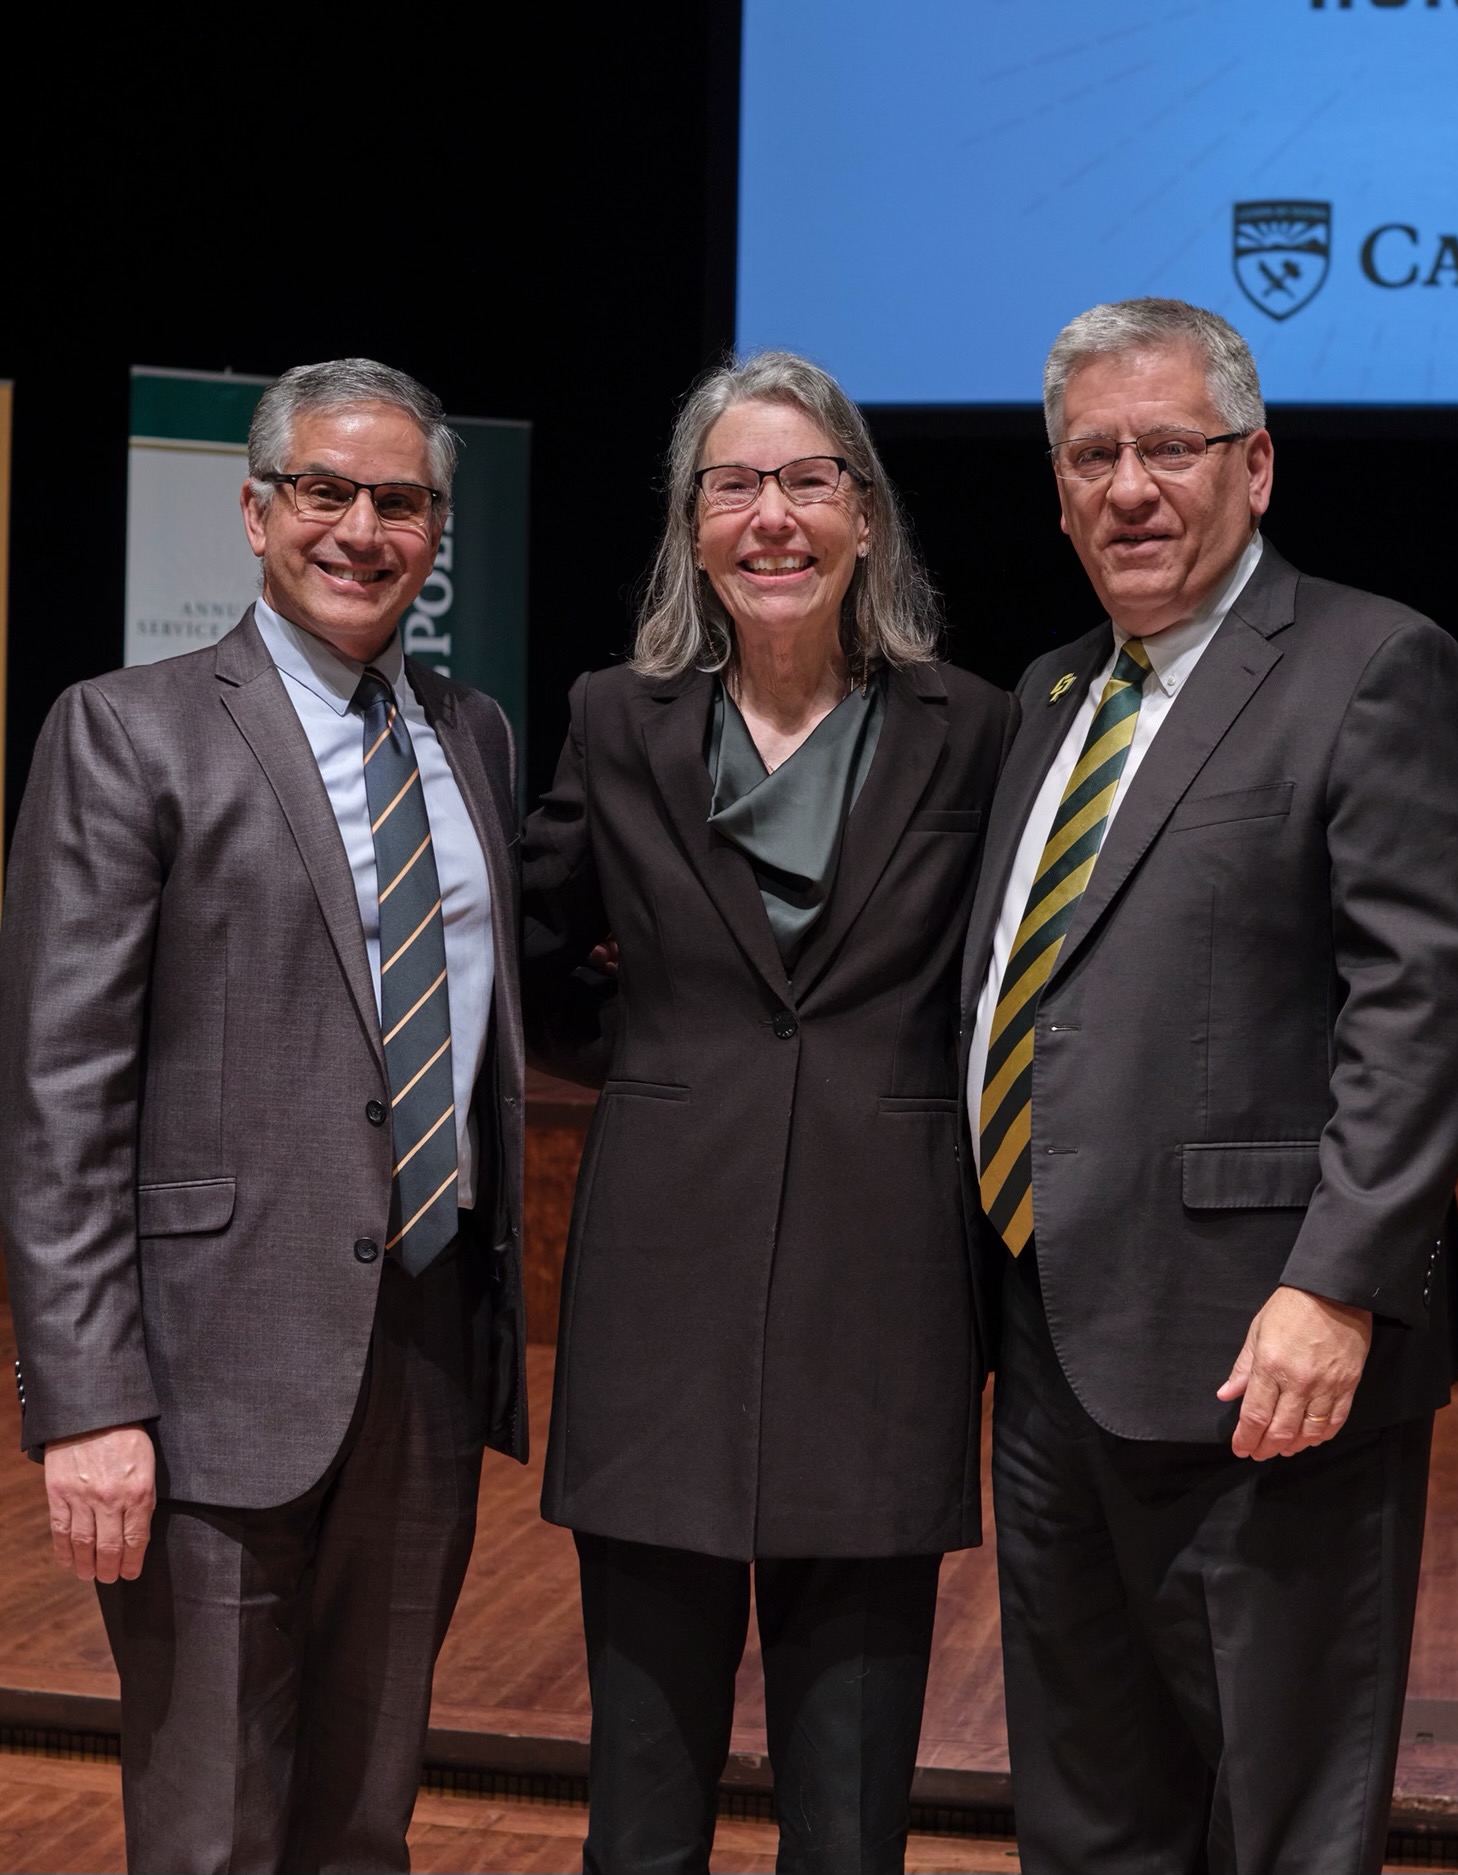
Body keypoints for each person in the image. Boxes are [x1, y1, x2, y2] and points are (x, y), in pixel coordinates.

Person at [962, 296, 1458, 1874]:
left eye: (1170, 449)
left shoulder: (1374, 664)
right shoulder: (1053, 692)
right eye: (1092, 456)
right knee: (1090, 1812)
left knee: (1279, 1816)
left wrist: (1336, 1285)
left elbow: (1427, 1002)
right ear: (1057, 490)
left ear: (1255, 467)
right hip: (1054, 1341)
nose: (1130, 487)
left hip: (1270, 1357)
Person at [0, 358, 527, 1873]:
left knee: (364, 1821)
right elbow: (59, 1096)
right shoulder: (127, 730)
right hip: (203, 1373)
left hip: (424, 1354)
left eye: (400, 501)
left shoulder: (473, 735)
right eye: (325, 491)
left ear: (436, 531)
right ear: (254, 511)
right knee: (213, 1829)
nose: (362, 528)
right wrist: (88, 1402)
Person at [522, 350, 1017, 1874]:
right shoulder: (617, 718)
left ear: (865, 515)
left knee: (853, 1803)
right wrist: (672, 1072)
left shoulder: (976, 727)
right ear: (693, 525)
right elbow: (536, 954)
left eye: (808, 480)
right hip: (660, 1283)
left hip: (885, 1295)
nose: (773, 516)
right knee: (644, 1795)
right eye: (734, 485)